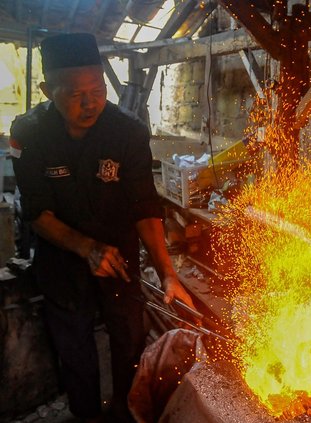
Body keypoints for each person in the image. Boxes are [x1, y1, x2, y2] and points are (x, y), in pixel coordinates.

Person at [10, 32, 195, 423]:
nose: (90, 101)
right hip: (61, 261)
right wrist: (86, 248)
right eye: (75, 93)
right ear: (47, 89)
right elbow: (36, 212)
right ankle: (87, 416)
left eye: (97, 89)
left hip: (119, 259)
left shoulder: (127, 132)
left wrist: (167, 273)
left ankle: (129, 414)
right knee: (74, 350)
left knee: (128, 342)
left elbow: (145, 208)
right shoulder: (28, 133)